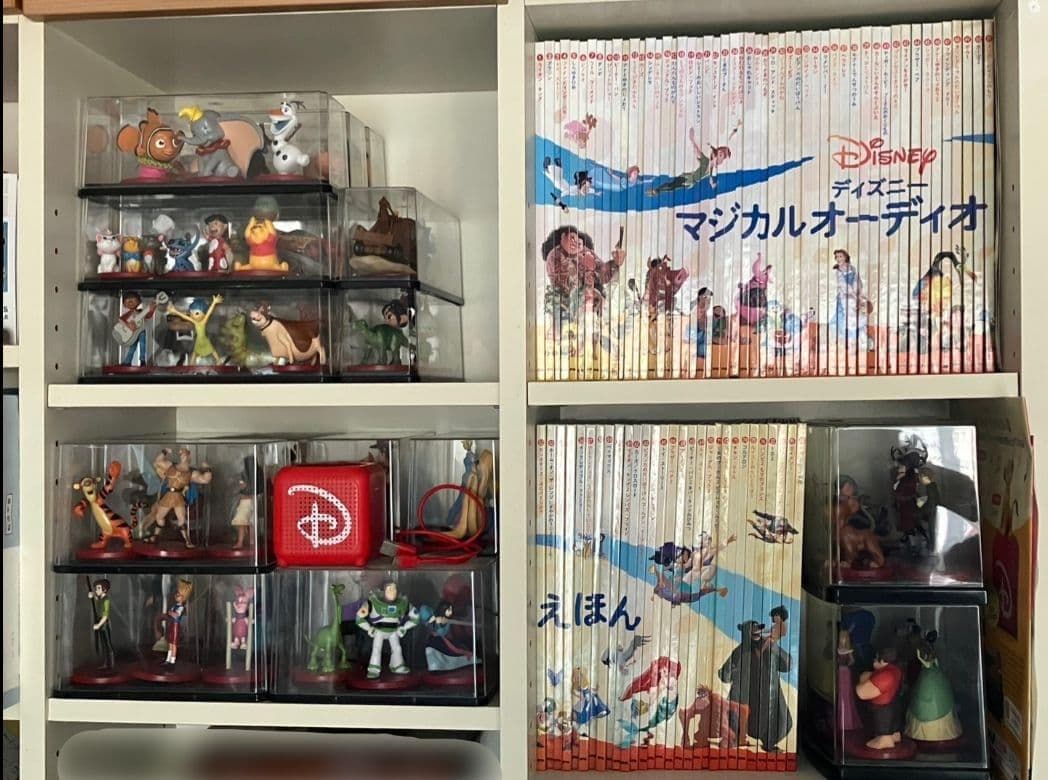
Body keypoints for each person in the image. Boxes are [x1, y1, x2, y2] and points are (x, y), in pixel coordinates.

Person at [855, 647, 905, 750]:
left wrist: (862, 679)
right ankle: (894, 734)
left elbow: (862, 693)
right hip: (894, 704)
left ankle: (885, 739)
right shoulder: (895, 670)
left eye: (876, 658)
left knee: (883, 721)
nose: (874, 660)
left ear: (882, 660)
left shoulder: (885, 675)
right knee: (893, 720)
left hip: (883, 708)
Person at [87, 578, 116, 670]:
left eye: (98, 588)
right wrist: (92, 595)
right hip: (100, 622)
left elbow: (105, 615)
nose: (96, 590)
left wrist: (98, 625)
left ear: (104, 589)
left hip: (104, 624)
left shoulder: (106, 600)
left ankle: (111, 665)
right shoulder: (100, 599)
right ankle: (106, 664)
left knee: (108, 644)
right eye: (96, 588)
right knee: (103, 644)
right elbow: (96, 599)